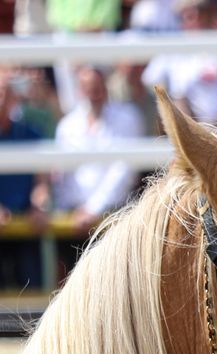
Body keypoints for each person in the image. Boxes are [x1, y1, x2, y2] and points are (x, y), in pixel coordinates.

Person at [53, 66, 144, 276]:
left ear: (105, 88)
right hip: (74, 220)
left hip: (114, 217)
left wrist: (93, 208)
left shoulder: (128, 117)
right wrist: (71, 210)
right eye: (87, 87)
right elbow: (61, 176)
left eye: (96, 87)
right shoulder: (67, 126)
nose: (93, 92)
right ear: (79, 91)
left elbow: (124, 171)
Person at [0, 70, 51, 291]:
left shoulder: (31, 134)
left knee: (31, 294)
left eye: (4, 94)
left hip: (27, 224)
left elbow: (41, 182)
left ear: (14, 98)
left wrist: (39, 204)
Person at [143, 0, 217, 125]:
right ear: (181, 17)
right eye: (189, 14)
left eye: (201, 11)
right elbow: (150, 80)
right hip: (194, 129)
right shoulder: (172, 49)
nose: (196, 17)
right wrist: (175, 106)